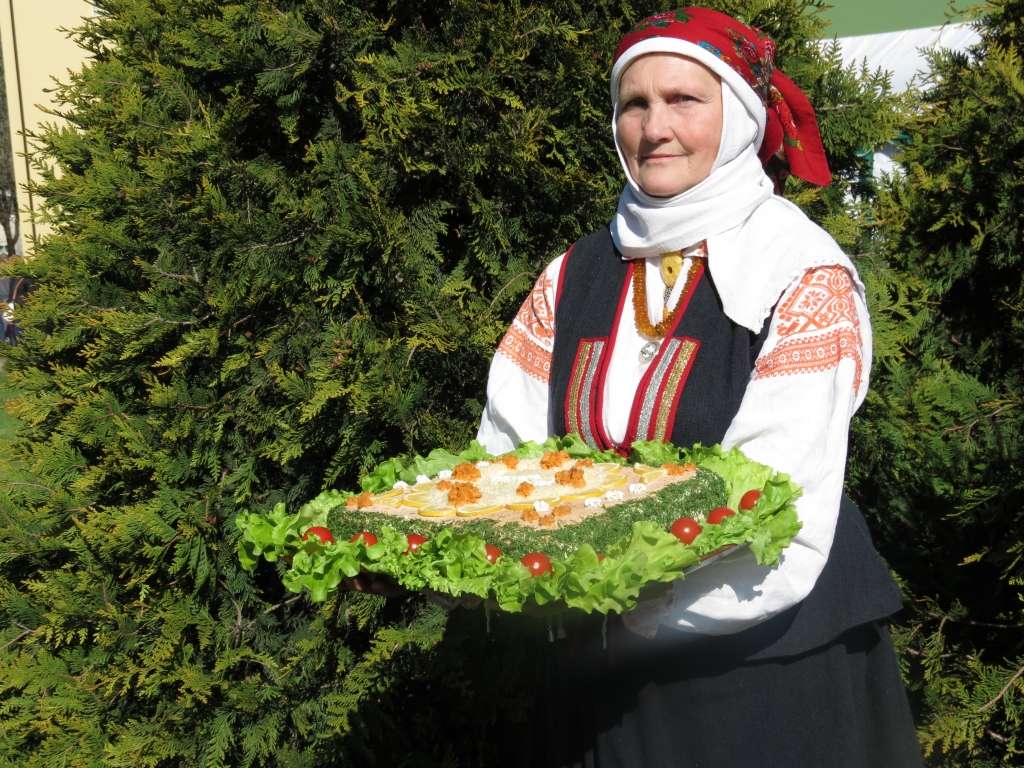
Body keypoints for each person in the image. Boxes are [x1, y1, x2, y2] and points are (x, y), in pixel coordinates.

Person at [475, 8, 922, 767]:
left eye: (685, 100)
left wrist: (625, 601)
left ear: (741, 118)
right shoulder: (574, 273)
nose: (655, 128)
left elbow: (779, 497)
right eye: (635, 104)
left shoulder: (798, 270)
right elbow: (506, 454)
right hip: (602, 693)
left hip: (767, 683)